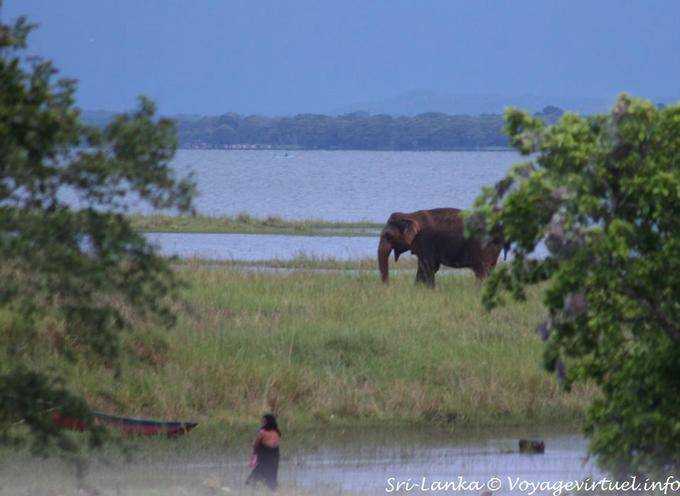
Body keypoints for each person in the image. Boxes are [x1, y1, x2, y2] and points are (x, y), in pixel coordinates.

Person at [245, 413, 281, 490]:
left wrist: (254, 455)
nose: (262, 424)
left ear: (268, 422)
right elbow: (275, 445)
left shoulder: (262, 433)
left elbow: (256, 445)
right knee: (272, 476)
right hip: (275, 457)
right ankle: (273, 490)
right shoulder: (277, 433)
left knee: (254, 476)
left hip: (265, 456)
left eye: (264, 422)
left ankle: (248, 490)